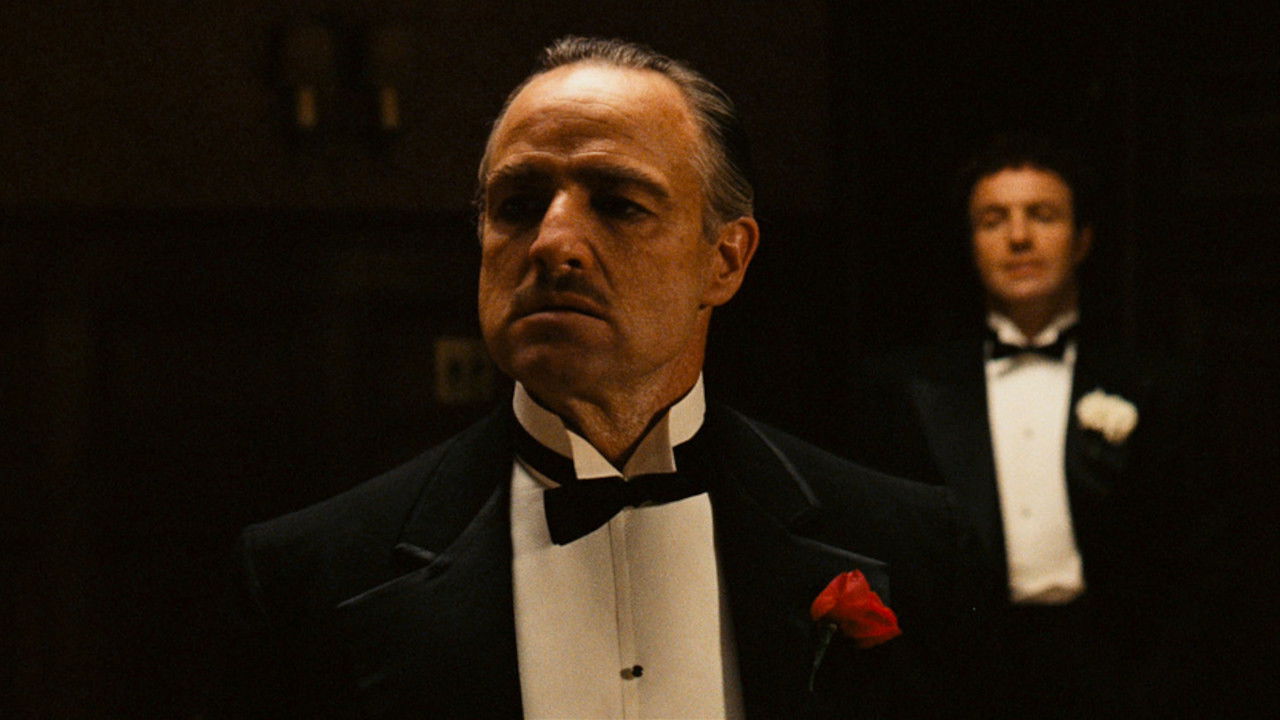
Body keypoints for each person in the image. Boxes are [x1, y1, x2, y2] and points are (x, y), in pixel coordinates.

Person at [220, 37, 987, 719]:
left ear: (725, 260)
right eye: (518, 205)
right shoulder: (315, 575)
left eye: (618, 204)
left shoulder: (906, 543)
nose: (553, 242)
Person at [844, 134, 1210, 719]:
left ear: (1082, 239)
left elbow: (1195, 563)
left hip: (1115, 679)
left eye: (1042, 215)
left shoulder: (1156, 384)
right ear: (970, 243)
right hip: (961, 684)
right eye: (993, 220)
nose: (1019, 237)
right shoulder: (908, 390)